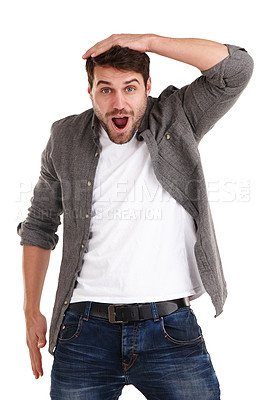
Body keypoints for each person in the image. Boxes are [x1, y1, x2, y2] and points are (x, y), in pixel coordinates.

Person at [18, 34, 253, 399]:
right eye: (106, 90)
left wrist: (147, 41)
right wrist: (31, 309)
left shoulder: (177, 117)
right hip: (84, 333)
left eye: (130, 88)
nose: (119, 103)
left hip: (170, 330)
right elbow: (40, 224)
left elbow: (236, 68)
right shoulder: (64, 137)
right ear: (91, 92)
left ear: (147, 87)